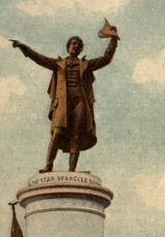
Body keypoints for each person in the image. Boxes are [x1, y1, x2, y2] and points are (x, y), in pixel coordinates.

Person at [10, 33, 118, 172]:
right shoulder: (58, 64)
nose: (76, 46)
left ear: (81, 50)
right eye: (73, 44)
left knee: (76, 135)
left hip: (80, 102)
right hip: (63, 103)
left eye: (79, 45)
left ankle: (72, 171)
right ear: (68, 47)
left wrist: (113, 40)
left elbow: (106, 59)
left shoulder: (86, 64)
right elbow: (40, 59)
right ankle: (48, 166)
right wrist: (24, 48)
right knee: (57, 133)